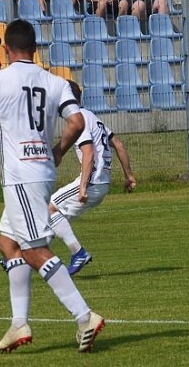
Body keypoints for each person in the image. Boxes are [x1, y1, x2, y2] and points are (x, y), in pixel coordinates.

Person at [0, 19, 104, 353]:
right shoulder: (54, 81)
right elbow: (77, 121)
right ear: (35, 49)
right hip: (42, 170)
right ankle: (18, 323)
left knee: (35, 249)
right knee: (8, 242)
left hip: (21, 175)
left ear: (5, 48)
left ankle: (84, 317)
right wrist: (59, 151)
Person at [49, 80, 136, 276]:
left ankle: (78, 253)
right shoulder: (92, 116)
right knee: (54, 219)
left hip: (92, 182)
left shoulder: (79, 120)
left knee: (49, 209)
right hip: (102, 182)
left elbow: (88, 153)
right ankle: (21, 257)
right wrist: (128, 176)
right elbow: (120, 145)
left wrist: (82, 187)